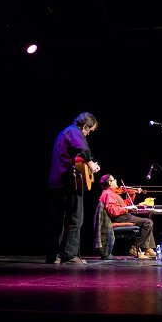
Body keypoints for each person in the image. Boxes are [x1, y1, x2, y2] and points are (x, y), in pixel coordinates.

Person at [46, 112, 101, 265]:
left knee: (57, 219)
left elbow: (76, 157)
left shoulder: (65, 132)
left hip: (57, 181)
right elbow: (82, 148)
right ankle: (69, 255)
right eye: (89, 131)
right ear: (84, 126)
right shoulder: (74, 132)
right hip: (69, 183)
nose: (88, 134)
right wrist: (91, 165)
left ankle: (53, 255)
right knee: (75, 218)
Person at [99, 174, 156, 259]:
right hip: (120, 218)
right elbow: (112, 211)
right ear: (110, 182)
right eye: (114, 180)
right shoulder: (108, 194)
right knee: (148, 222)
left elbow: (125, 204)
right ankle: (136, 248)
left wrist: (133, 194)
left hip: (123, 216)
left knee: (146, 221)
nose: (116, 181)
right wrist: (126, 209)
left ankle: (148, 249)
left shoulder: (113, 193)